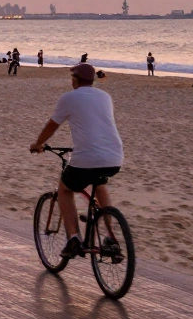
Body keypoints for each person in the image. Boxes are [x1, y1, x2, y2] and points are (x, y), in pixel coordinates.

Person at [30, 63, 124, 260]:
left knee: (65, 189)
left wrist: (38, 144)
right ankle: (111, 236)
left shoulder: (69, 98)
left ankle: (73, 238)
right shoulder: (105, 97)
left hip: (88, 157)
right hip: (114, 156)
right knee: (99, 185)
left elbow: (52, 126)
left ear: (74, 79)